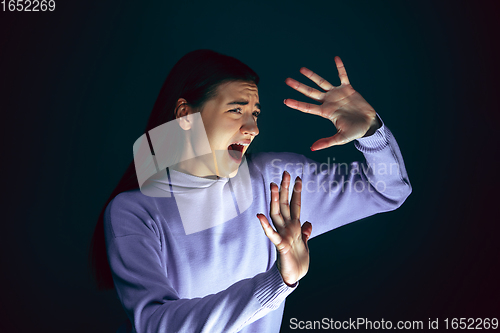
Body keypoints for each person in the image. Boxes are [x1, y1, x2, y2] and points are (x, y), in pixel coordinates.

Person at [88, 49, 412, 333]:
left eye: (255, 113)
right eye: (236, 110)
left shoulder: (274, 182)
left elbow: (388, 190)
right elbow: (158, 325)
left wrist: (371, 131)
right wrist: (277, 282)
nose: (253, 128)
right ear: (185, 116)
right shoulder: (134, 211)